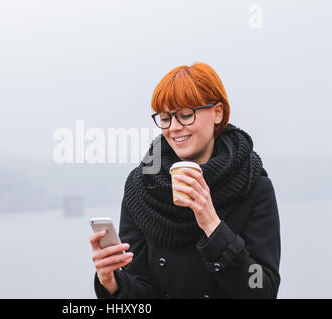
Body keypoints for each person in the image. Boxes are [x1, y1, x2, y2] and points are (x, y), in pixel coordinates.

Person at [89, 62, 281, 298]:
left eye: (186, 115)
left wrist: (212, 225)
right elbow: (142, 291)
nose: (175, 128)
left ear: (218, 113)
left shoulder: (252, 184)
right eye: (166, 118)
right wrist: (111, 281)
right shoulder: (142, 188)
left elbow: (263, 289)